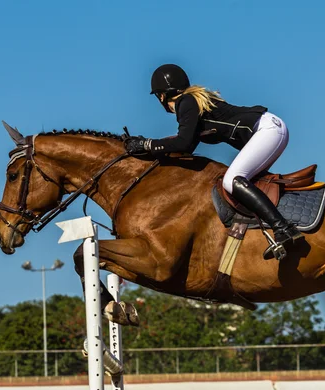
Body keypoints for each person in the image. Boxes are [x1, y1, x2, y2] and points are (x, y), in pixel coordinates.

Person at [124, 64, 304, 260]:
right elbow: (187, 144)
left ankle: (283, 229)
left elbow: (182, 143)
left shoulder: (187, 101)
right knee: (243, 182)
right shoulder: (192, 101)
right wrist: (149, 147)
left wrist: (147, 144)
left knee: (232, 179)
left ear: (161, 96)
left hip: (266, 130)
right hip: (270, 128)